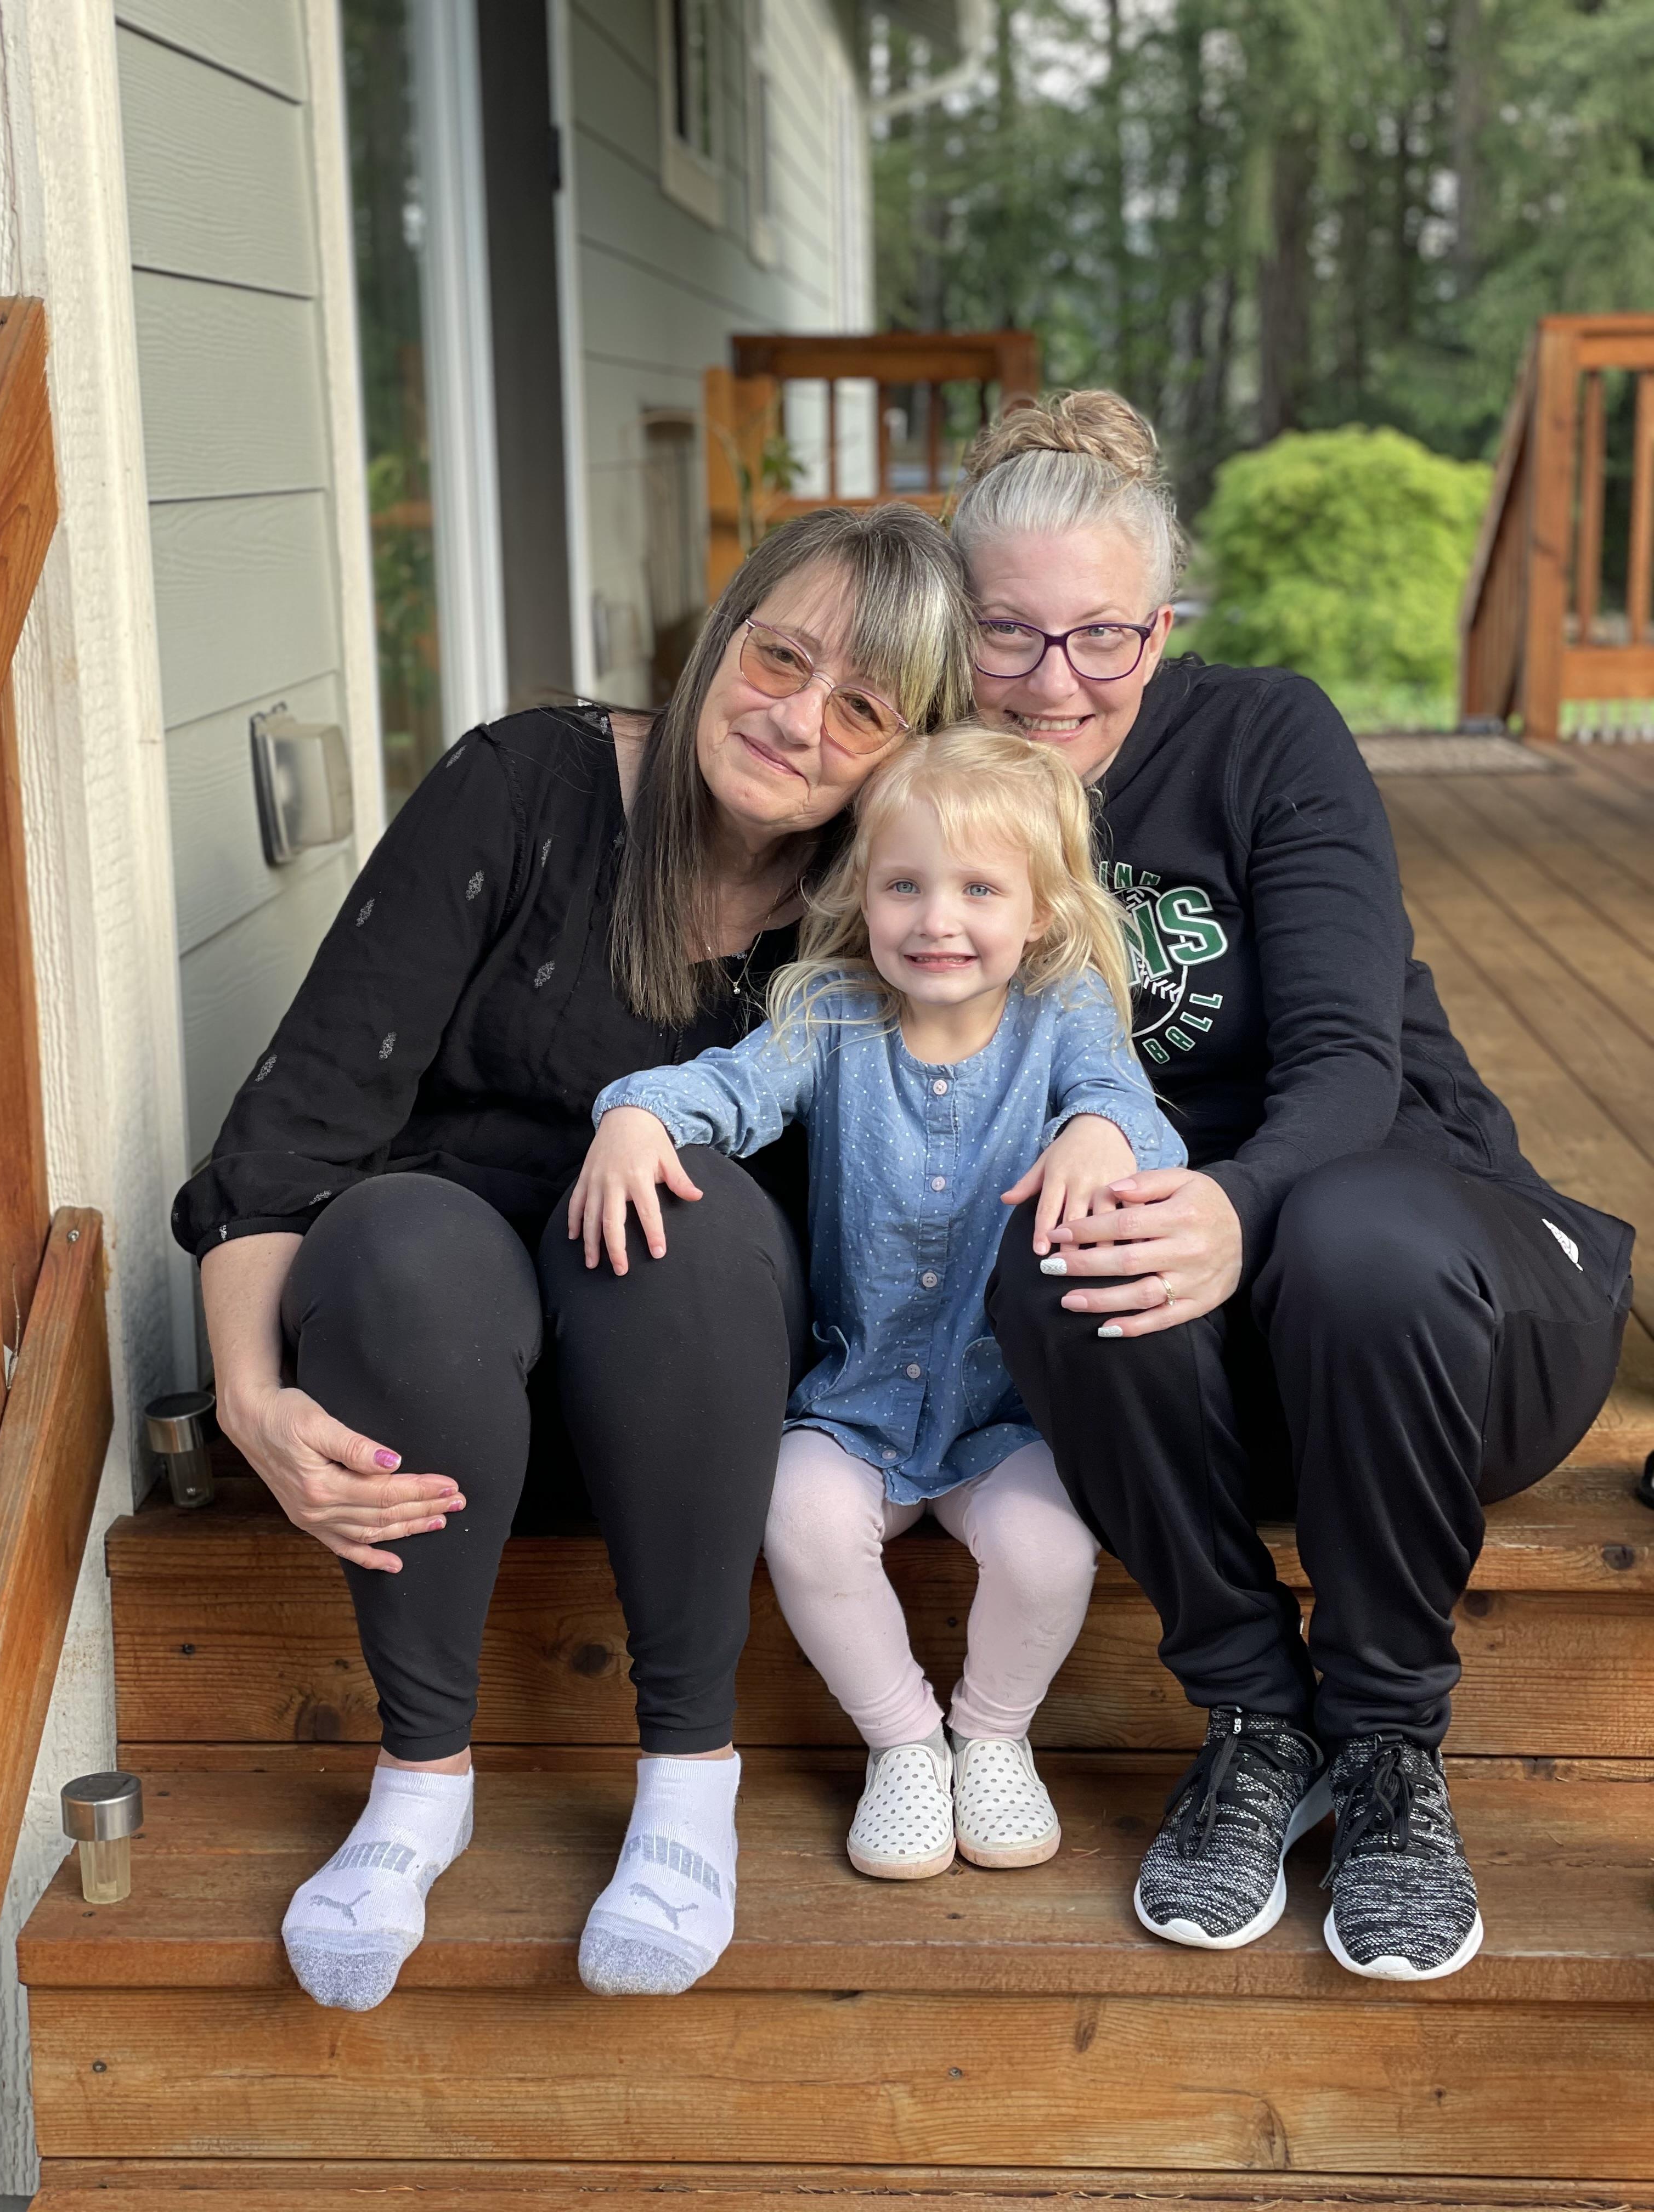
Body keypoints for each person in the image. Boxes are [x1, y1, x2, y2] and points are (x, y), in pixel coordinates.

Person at [170, 505, 978, 2010]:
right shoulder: (525, 787)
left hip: (688, 1420)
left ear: (907, 752)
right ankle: (419, 1784)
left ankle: (688, 1781)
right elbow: (291, 1132)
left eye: (862, 708)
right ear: (719, 638)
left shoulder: (899, 904)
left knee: (685, 1208)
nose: (796, 718)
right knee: (397, 1237)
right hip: (432, 1394)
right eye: (778, 657)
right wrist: (248, 1400)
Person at [955, 391, 1635, 1982]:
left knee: (1347, 1228)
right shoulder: (941, 792)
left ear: (1161, 626)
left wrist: (1232, 1200)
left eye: (1102, 637)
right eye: (1009, 636)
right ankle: (1261, 1717)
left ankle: (1391, 1743)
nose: (1056, 683)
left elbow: (1346, 1067)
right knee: (1059, 1242)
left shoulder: (1265, 737)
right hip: (1203, 1388)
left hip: (1446, 1315)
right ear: (956, 627)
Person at [572, 726, 1182, 1936]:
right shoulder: (833, 1015)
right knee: (798, 1521)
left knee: (1052, 1549)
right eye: (905, 884)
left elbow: (1128, 1104)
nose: (936, 920)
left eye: (979, 890)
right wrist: (639, 1115)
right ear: (863, 893)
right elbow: (730, 1089)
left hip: (1006, 1411)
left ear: (1041, 911)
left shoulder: (1062, 1014)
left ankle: (991, 1735)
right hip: (856, 1401)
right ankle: (904, 1741)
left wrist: (1101, 1133)